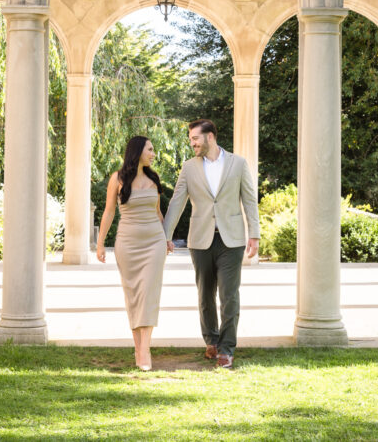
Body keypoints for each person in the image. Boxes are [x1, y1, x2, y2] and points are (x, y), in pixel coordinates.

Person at [162, 119, 259, 369]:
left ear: (210, 137)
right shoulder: (188, 168)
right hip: (201, 239)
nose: (192, 143)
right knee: (205, 294)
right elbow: (177, 202)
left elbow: (249, 200)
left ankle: (227, 348)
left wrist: (254, 233)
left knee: (229, 295)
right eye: (191, 139)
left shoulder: (237, 164)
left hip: (232, 240)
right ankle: (211, 341)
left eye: (195, 138)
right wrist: (166, 234)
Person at [96, 136, 173, 371]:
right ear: (138, 151)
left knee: (149, 293)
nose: (153, 153)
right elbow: (109, 212)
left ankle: (145, 349)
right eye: (150, 149)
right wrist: (100, 245)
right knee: (134, 295)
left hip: (154, 243)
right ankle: (138, 347)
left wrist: (167, 237)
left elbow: (158, 212)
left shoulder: (154, 178)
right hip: (127, 244)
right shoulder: (117, 179)